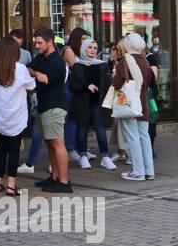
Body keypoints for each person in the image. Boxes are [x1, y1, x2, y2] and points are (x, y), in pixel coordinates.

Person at [0, 37, 35, 196]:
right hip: (16, 116)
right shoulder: (20, 69)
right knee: (14, 150)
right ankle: (11, 186)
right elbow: (32, 86)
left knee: (1, 149)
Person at [29, 28, 70, 192]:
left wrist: (37, 75)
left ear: (49, 42)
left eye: (40, 43)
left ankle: (64, 182)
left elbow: (41, 82)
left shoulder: (56, 62)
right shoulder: (41, 57)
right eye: (36, 43)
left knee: (57, 143)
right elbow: (28, 68)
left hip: (54, 107)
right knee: (50, 143)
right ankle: (55, 177)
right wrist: (36, 72)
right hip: (44, 106)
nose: (37, 46)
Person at [113, 34, 156, 181]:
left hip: (129, 105)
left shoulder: (125, 61)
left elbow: (117, 84)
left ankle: (138, 172)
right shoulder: (145, 61)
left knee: (132, 138)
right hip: (143, 104)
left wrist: (114, 73)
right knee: (144, 137)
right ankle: (149, 170)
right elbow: (149, 82)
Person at [69, 38, 114, 169]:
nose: (92, 51)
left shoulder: (102, 64)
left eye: (95, 48)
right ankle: (83, 156)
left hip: (97, 103)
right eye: (89, 47)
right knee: (82, 130)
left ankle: (105, 157)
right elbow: (73, 86)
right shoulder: (77, 66)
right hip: (82, 103)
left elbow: (107, 83)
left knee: (100, 130)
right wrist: (86, 86)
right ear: (83, 49)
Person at [62, 27, 86, 163]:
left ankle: (76, 147)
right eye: (82, 39)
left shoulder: (79, 51)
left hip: (77, 88)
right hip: (68, 87)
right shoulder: (68, 50)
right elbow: (77, 67)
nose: (85, 41)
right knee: (69, 118)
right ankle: (69, 148)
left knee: (76, 119)